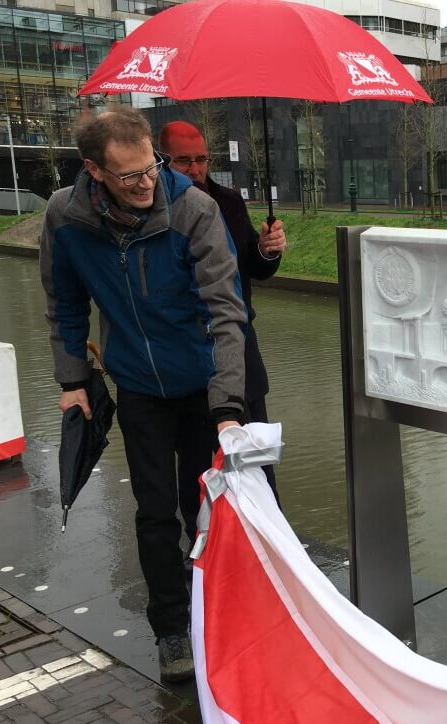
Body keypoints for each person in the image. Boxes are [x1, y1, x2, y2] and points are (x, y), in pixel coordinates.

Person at [40, 107, 247, 683]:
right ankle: (171, 629)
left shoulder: (193, 209)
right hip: (137, 387)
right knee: (154, 512)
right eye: (129, 175)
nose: (146, 182)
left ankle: (222, 609)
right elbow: (63, 304)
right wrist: (73, 381)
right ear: (95, 171)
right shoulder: (65, 217)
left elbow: (227, 311)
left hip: (203, 385)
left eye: (151, 167)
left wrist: (229, 406)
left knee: (205, 508)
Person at [159, 121, 286, 510]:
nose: (196, 169)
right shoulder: (157, 211)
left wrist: (267, 248)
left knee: (257, 462)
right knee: (198, 466)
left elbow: (254, 268)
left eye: (201, 159)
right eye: (184, 161)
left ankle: (268, 544)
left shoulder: (228, 201)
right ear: (161, 160)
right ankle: (203, 553)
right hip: (188, 359)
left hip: (240, 353)